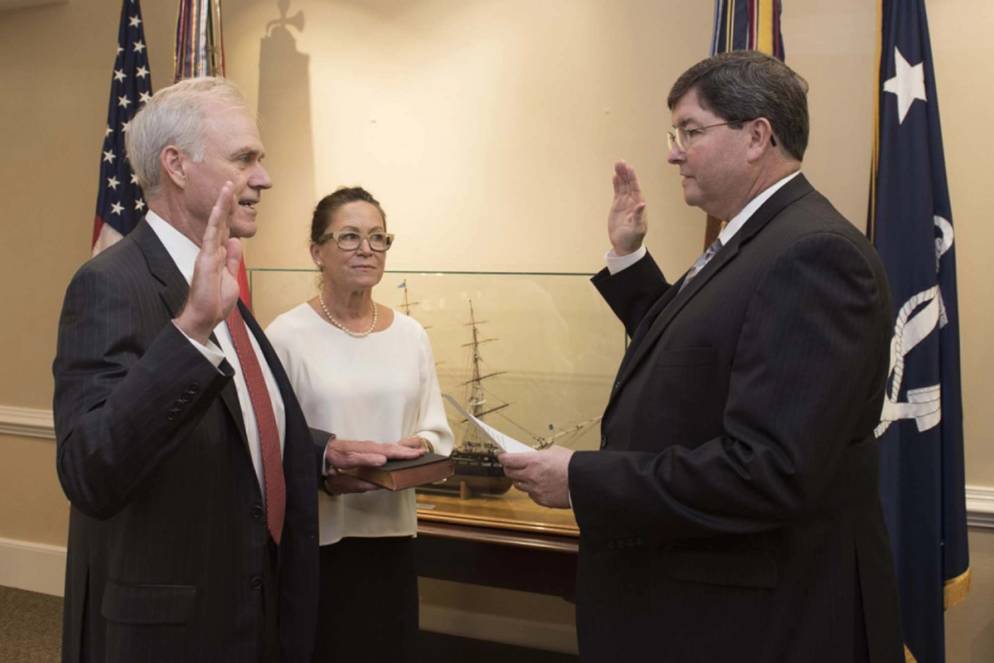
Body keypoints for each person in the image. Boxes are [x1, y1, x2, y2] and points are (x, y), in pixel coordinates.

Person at [501, 51, 904, 663]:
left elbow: (768, 470)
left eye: (690, 130)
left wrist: (582, 478)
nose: (673, 151)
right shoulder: (756, 235)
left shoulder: (813, 254)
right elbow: (700, 354)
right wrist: (629, 260)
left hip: (752, 621)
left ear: (756, 136)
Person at [52, 78, 421, 663]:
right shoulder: (110, 284)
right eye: (245, 158)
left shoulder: (222, 279)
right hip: (170, 636)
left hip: (250, 612)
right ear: (176, 164)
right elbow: (88, 469)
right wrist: (190, 332)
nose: (264, 177)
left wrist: (322, 456)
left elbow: (238, 429)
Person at [266, 186, 453, 663]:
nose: (366, 249)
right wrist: (329, 467)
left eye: (377, 238)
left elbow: (437, 430)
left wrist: (417, 445)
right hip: (321, 536)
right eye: (349, 237)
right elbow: (270, 439)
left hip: (391, 534)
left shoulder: (411, 335)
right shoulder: (286, 335)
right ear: (316, 252)